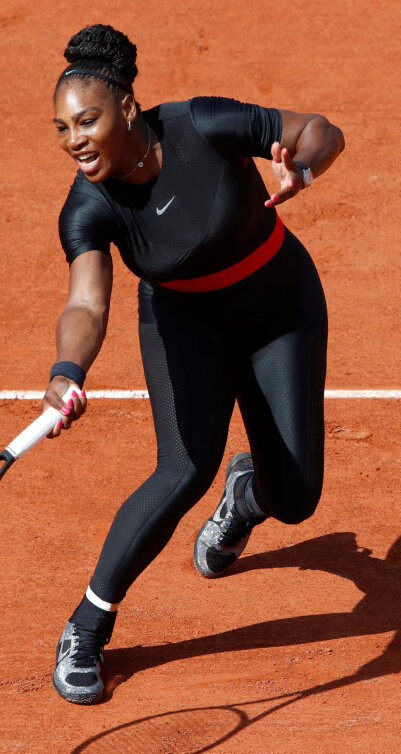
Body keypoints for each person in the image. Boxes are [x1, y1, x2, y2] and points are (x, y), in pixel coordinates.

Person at [40, 24, 345, 704]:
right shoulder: (88, 207)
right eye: (61, 128)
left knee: (296, 500)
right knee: (183, 469)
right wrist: (68, 370)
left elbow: (318, 129)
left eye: (86, 121)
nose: (74, 140)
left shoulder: (201, 125)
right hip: (186, 323)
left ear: (127, 108)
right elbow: (87, 303)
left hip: (280, 306)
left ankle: (247, 496)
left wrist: (303, 165)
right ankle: (87, 626)